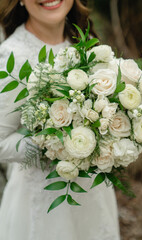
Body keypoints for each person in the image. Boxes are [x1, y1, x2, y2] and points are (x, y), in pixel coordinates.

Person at [0, 0, 120, 239]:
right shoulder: (13, 56)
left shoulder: (84, 39)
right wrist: (57, 146)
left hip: (94, 194)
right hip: (44, 204)